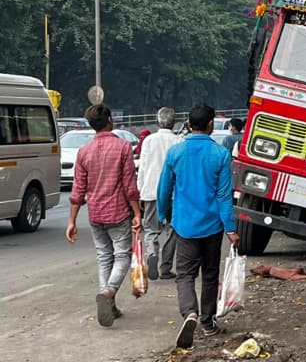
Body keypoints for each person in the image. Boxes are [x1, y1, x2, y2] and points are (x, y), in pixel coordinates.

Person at [157, 103, 240, 348]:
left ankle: (189, 313)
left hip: (185, 225)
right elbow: (224, 196)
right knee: (210, 274)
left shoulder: (176, 153)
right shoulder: (220, 155)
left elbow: (165, 189)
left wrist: (164, 214)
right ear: (211, 125)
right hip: (213, 226)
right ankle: (207, 322)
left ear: (189, 124)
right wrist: (231, 229)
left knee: (184, 275)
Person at [65, 104, 142, 327]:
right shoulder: (123, 147)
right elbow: (129, 185)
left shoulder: (84, 152)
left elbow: (78, 190)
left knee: (103, 256)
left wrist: (71, 221)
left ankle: (109, 302)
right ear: (110, 119)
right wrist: (137, 213)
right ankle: (108, 293)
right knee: (122, 256)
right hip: (117, 212)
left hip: (95, 213)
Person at [137, 107, 180, 281]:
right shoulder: (179, 141)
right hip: (172, 193)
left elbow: (143, 167)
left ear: (157, 122)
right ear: (174, 122)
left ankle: (152, 253)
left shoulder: (148, 140)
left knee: (150, 229)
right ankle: (166, 267)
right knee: (172, 229)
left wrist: (141, 191)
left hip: (151, 190)